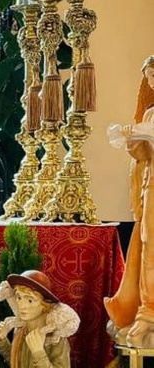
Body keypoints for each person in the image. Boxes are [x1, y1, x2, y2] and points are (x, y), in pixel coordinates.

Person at [104, 55, 154, 347]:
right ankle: (146, 308)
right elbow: (142, 156)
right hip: (150, 185)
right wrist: (133, 140)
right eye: (148, 78)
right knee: (147, 246)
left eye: (153, 76)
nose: (151, 82)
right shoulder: (149, 114)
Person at [0, 270, 79, 368]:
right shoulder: (21, 329)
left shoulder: (54, 338)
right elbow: (16, 362)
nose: (21, 305)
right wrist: (2, 341)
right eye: (19, 297)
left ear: (44, 304)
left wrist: (38, 353)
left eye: (30, 300)